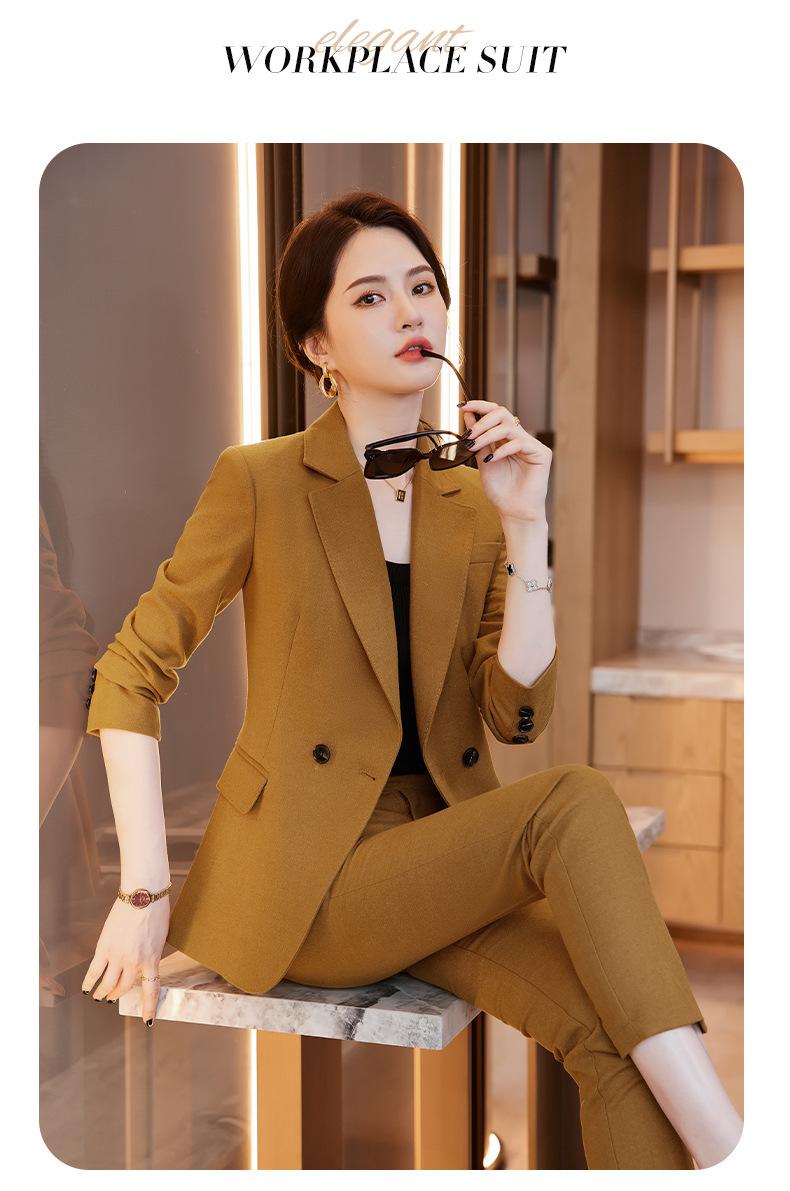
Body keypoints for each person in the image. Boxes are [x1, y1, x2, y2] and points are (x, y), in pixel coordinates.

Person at [82, 190, 743, 1170]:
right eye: (369, 296)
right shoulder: (260, 479)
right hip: (312, 878)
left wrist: (526, 527)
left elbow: (514, 712)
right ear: (316, 346)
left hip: (428, 857)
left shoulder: (472, 501)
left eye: (422, 286)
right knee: (571, 800)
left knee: (606, 1039)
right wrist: (144, 890)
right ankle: (730, 1152)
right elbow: (133, 670)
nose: (408, 311)